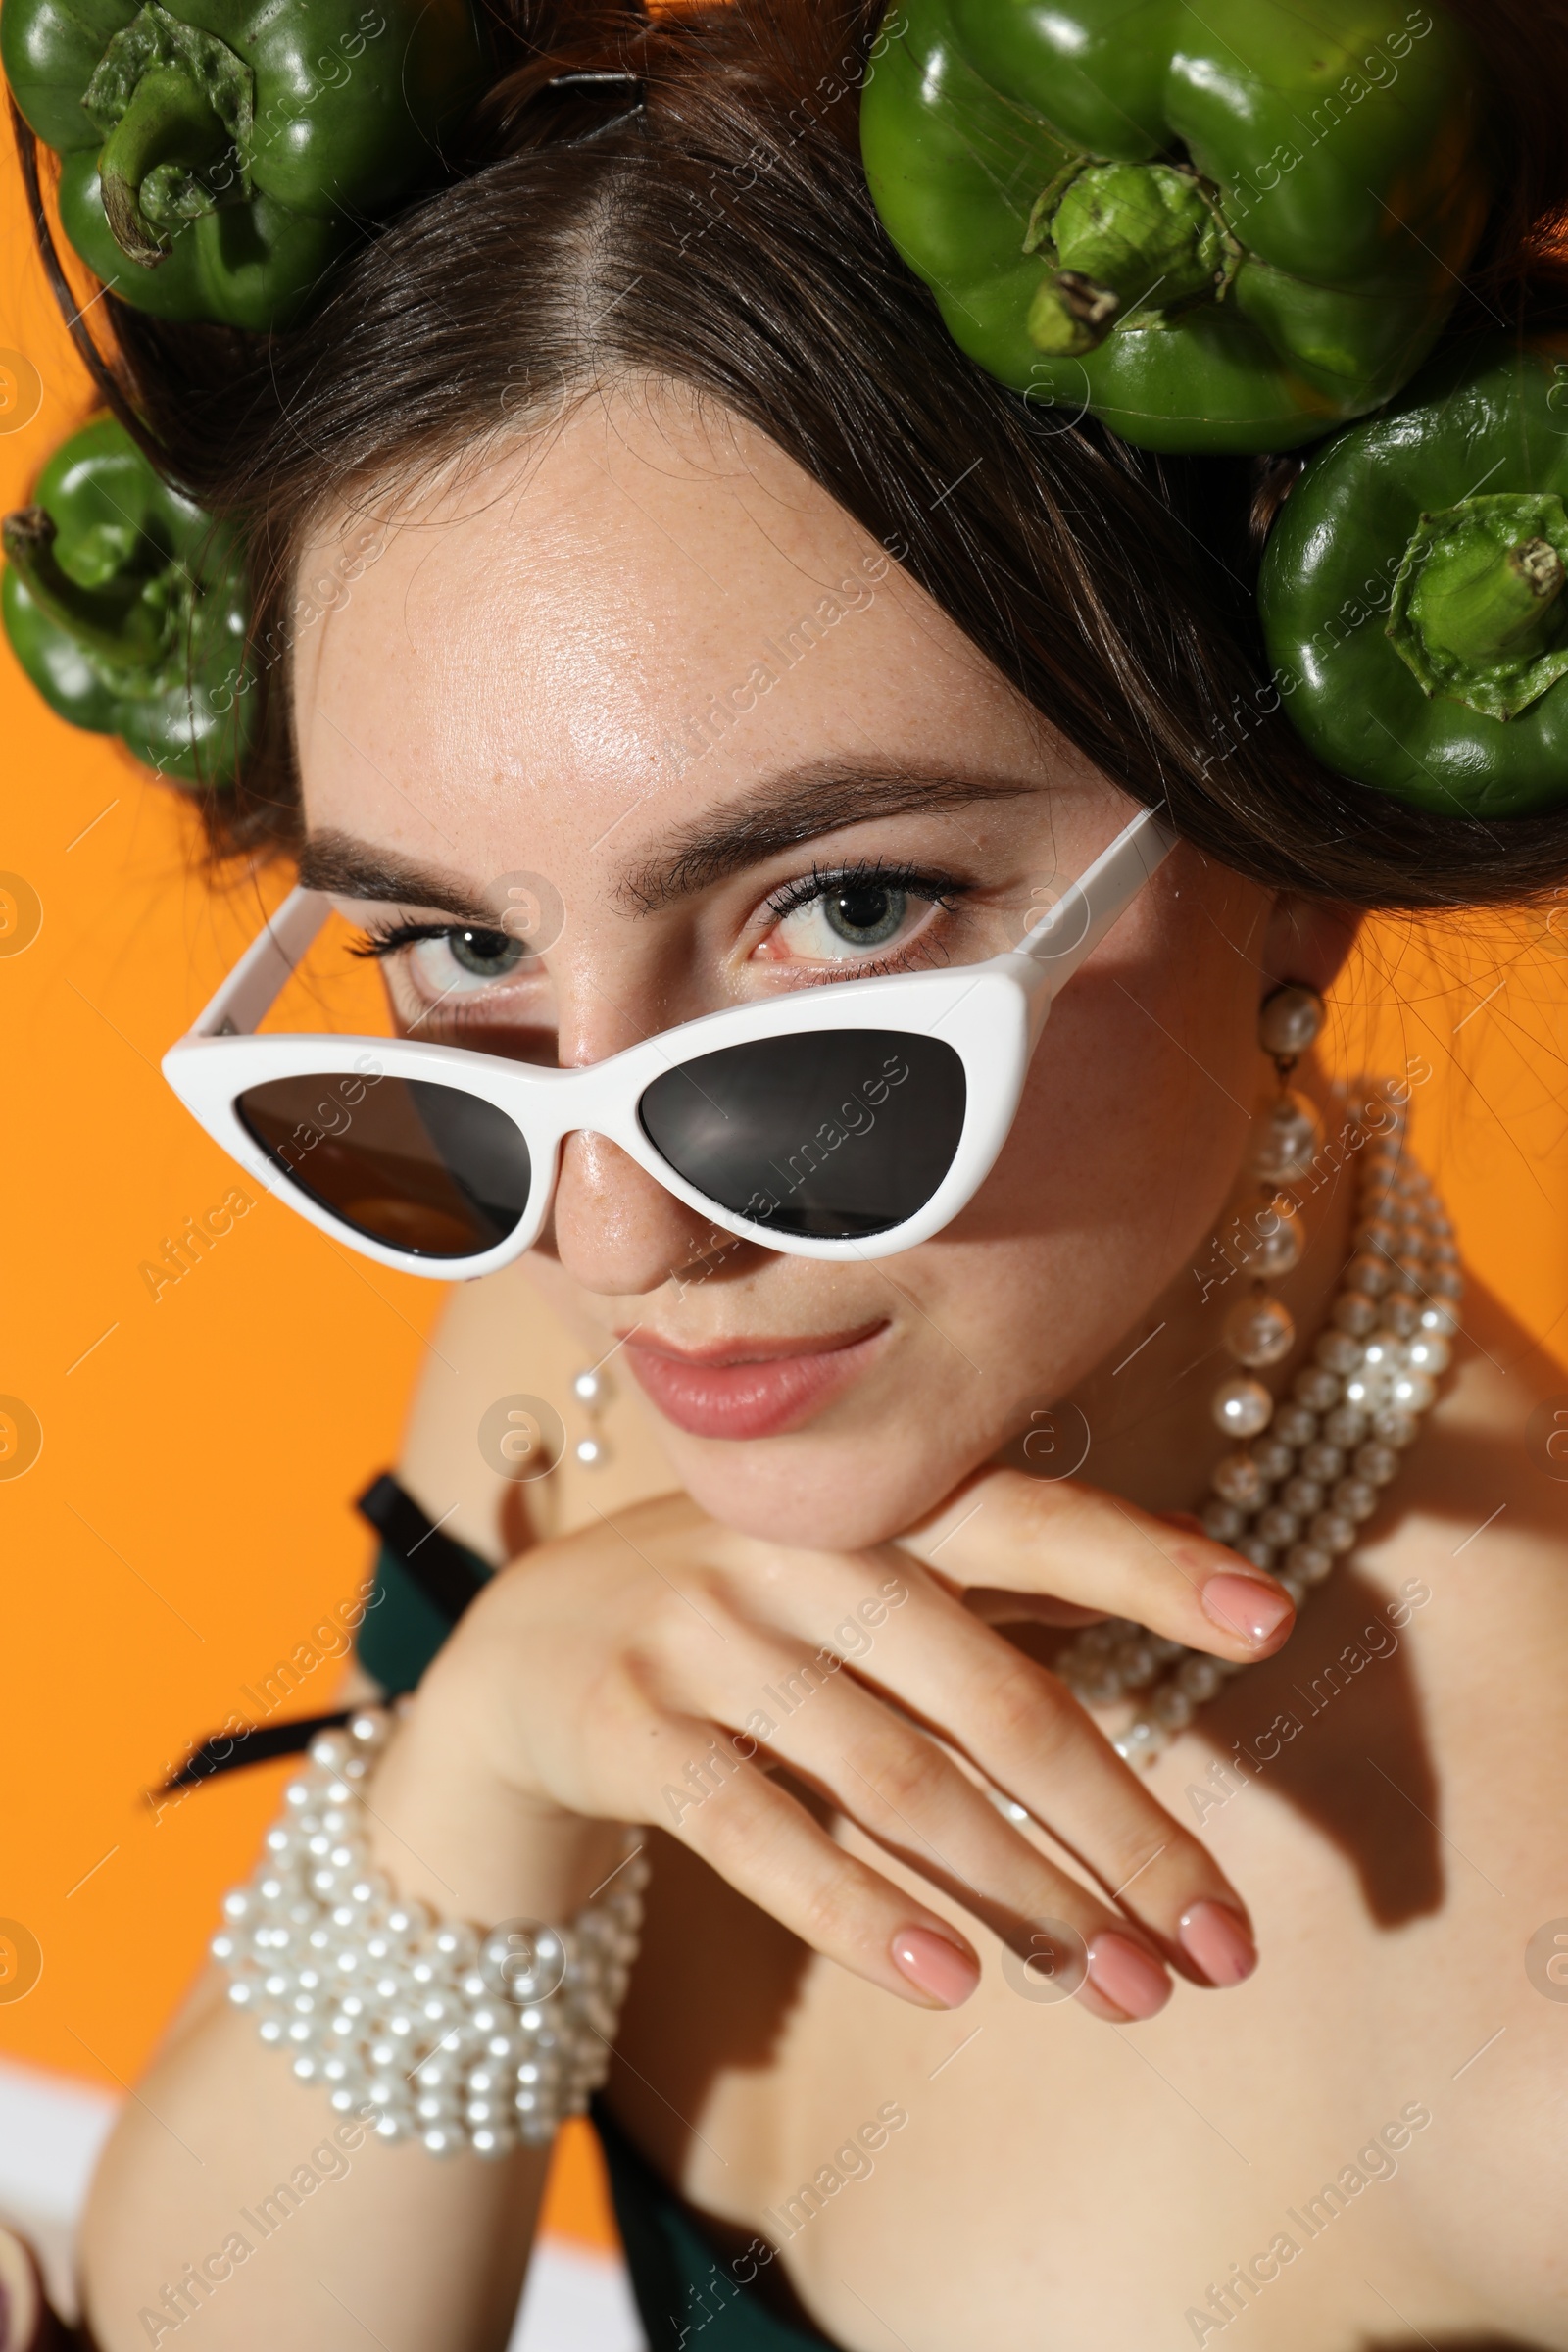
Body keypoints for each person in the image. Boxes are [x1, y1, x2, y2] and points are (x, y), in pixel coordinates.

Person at [9, 1, 1566, 2346]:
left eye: (843, 914)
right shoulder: (566, 1403)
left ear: (1290, 846)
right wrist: (486, 1772)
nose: (620, 1235)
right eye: (457, 945)